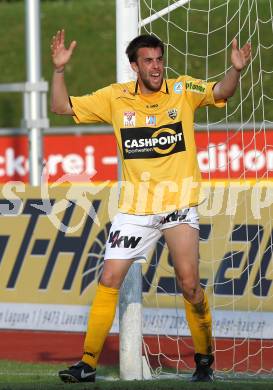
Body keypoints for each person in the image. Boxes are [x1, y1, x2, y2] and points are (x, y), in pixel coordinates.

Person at [50, 29, 251, 383]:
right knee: (109, 277)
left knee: (189, 285)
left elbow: (221, 92)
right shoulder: (115, 97)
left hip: (179, 206)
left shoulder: (182, 90)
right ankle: (87, 364)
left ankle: (204, 360)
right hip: (135, 210)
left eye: (159, 60)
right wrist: (60, 71)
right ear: (134, 66)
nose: (156, 67)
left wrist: (234, 70)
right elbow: (61, 107)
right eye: (148, 61)